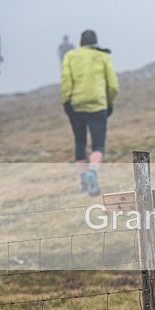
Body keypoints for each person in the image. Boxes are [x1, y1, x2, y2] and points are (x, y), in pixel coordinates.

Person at [61, 29, 119, 196]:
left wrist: (66, 101)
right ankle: (92, 172)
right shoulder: (103, 57)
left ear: (81, 42)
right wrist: (109, 102)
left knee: (79, 143)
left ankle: (83, 182)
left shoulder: (70, 56)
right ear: (96, 42)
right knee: (98, 145)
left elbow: (66, 81)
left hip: (76, 106)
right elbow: (113, 85)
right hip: (98, 106)